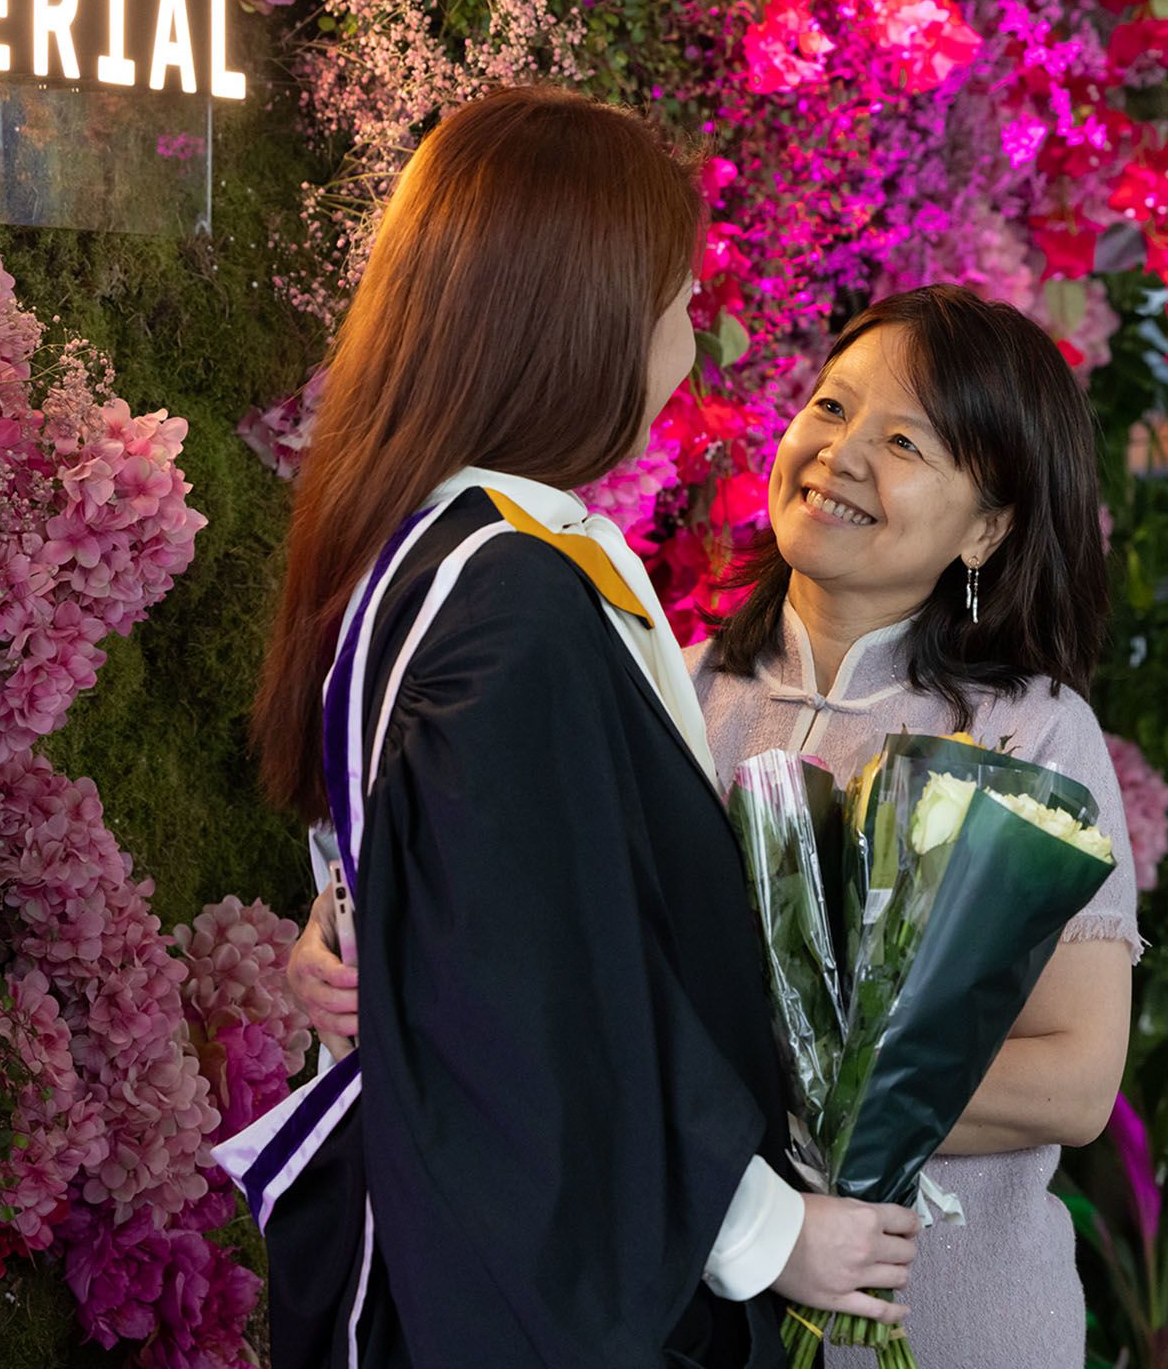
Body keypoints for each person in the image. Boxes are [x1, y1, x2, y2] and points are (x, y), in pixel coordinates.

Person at [289, 284, 1141, 1368]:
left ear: (989, 526)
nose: (840, 455)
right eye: (831, 408)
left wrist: (784, 1094)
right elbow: (543, 959)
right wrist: (359, 950)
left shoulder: (1033, 735)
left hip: (955, 1321)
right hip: (701, 1318)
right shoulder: (667, 692)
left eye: (904, 443)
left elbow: (1076, 1080)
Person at [230, 85, 919, 1369]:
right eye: (679, 303)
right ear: (585, 320)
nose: (692, 343)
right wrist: (764, 1231)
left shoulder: (443, 553)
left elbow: (470, 914)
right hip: (511, 1287)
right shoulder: (507, 598)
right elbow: (539, 992)